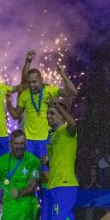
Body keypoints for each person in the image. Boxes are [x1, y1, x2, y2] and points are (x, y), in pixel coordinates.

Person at [10, 53, 77, 189]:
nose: (32, 85)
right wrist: (8, 103)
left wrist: (63, 75)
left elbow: (72, 92)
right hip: (29, 142)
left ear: (41, 79)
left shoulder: (49, 91)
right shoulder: (24, 95)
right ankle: (30, 206)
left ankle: (47, 206)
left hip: (46, 141)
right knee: (28, 177)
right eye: (29, 82)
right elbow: (16, 115)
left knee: (46, 177)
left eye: (34, 81)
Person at [43, 101, 83, 220]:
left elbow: (73, 123)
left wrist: (59, 107)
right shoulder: (51, 137)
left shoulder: (68, 131)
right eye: (48, 113)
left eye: (52, 113)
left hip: (65, 186)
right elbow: (51, 162)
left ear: (61, 115)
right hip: (51, 188)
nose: (49, 116)